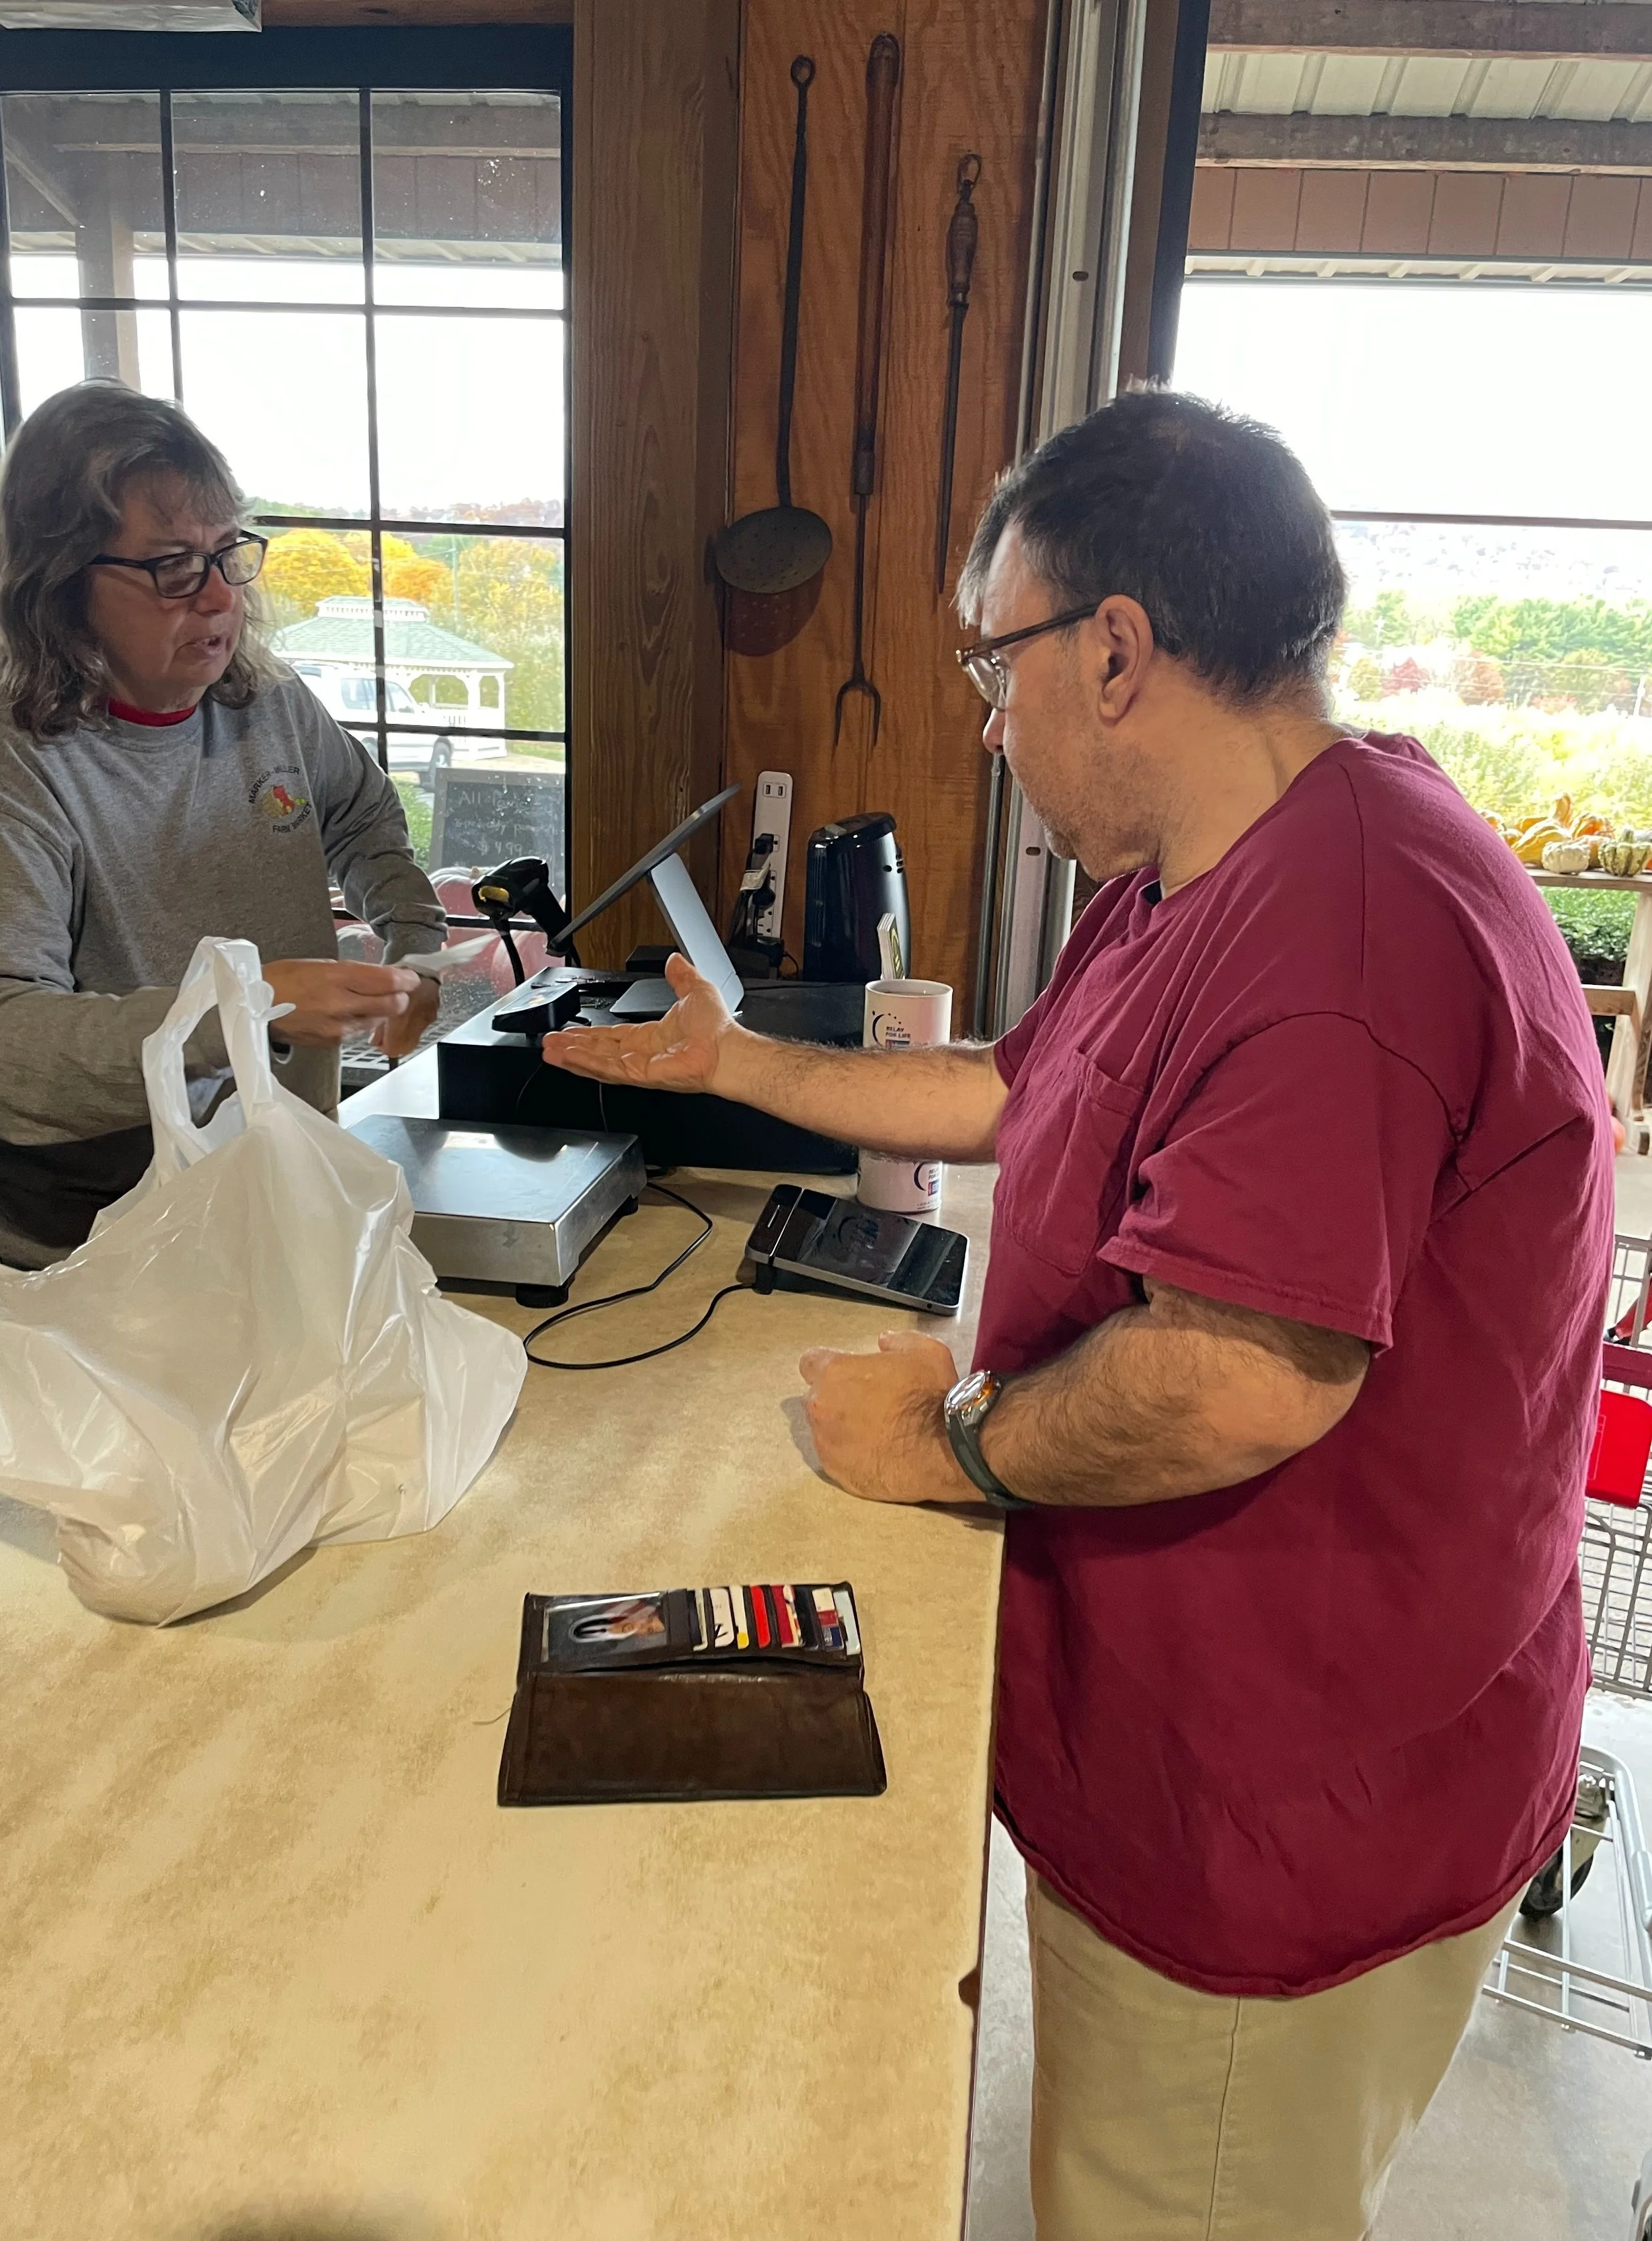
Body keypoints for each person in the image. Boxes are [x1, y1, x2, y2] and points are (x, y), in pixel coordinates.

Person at [543, 390, 1613, 2238]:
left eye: (992, 661)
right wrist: (737, 1067)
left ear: (1111, 649)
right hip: (1242, 1756)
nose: (985, 716)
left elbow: (1233, 1382)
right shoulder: (1218, 869)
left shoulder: (1335, 944)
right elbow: (1011, 1090)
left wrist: (946, 1441)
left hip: (1278, 1815)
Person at [0, 381, 445, 1266]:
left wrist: (412, 952)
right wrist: (246, 1009)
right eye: (173, 567)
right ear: (59, 583)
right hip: (93, 1254)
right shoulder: (3, 759)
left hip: (276, 1203)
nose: (221, 599)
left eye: (229, 554)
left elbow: (365, 815)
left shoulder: (269, 702)